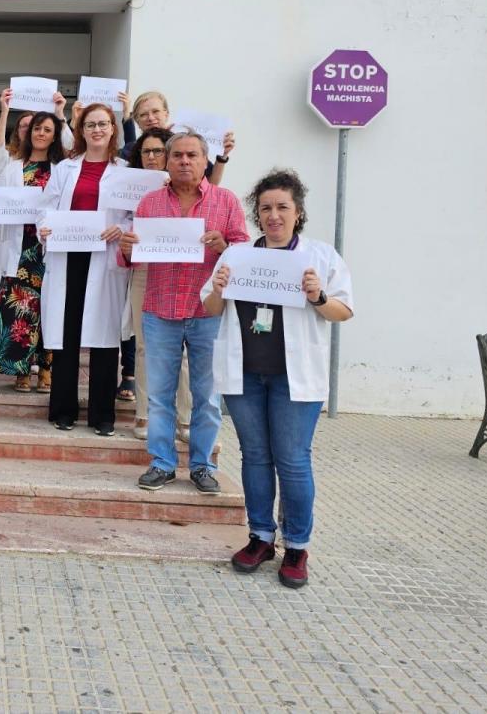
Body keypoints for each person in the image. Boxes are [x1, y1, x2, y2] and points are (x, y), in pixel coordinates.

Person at [202, 169, 353, 589]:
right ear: (257, 213)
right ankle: (261, 537)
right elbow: (212, 309)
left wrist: (318, 297)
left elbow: (343, 310)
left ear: (297, 212)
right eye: (265, 208)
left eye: (282, 207)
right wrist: (218, 288)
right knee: (254, 456)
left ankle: (298, 545)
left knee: (292, 460)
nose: (273, 215)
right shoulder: (237, 257)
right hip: (246, 376)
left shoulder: (320, 258)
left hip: (294, 379)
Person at [120, 129, 249, 494]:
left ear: (205, 160)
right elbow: (132, 256)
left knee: (207, 396)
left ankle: (202, 466)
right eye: (177, 156)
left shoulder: (225, 202)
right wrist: (128, 248)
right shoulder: (149, 204)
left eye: (192, 155)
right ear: (167, 160)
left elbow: (243, 249)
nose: (184, 162)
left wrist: (225, 245)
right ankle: (161, 463)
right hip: (161, 309)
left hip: (207, 313)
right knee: (160, 394)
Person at [38, 103, 130, 434]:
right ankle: (63, 409)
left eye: (103, 124)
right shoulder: (65, 169)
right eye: (90, 124)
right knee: (67, 332)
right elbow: (45, 209)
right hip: (68, 257)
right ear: (81, 130)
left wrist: (122, 228)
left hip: (104, 258)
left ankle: (102, 415)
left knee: (104, 336)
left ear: (113, 129)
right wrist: (44, 229)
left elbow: (135, 213)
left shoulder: (125, 170)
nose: (96, 130)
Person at [116, 128, 193, 442]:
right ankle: (144, 413)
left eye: (158, 150)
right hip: (146, 270)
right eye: (146, 151)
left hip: (186, 273)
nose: (152, 156)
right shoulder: (138, 192)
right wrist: (126, 242)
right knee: (145, 346)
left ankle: (185, 417)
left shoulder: (195, 190)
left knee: (185, 350)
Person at [0, 112, 65, 392]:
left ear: (56, 135)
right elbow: (0, 207)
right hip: (20, 251)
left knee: (49, 309)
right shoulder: (14, 168)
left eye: (48, 129)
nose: (41, 133)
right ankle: (21, 371)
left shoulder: (62, 169)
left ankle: (46, 369)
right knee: (20, 308)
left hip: (49, 249)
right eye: (37, 128)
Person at [128, 90, 236, 186]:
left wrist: (222, 157)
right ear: (137, 120)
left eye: (155, 111)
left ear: (166, 114)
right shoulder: (128, 150)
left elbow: (211, 183)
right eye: (143, 114)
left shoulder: (185, 144)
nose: (151, 118)